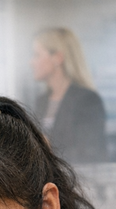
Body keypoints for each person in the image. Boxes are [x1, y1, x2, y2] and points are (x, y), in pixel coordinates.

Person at [31, 28, 108, 164]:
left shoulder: (87, 100)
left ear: (57, 58)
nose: (31, 62)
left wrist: (48, 147)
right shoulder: (41, 101)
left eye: (36, 55)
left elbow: (90, 152)